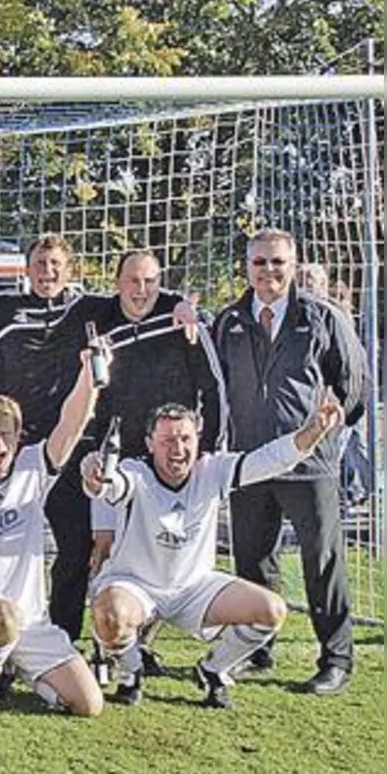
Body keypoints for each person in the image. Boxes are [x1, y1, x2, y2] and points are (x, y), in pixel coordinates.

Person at [0, 234, 194, 645]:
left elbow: (138, 293)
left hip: (64, 451)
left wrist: (178, 303)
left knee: (74, 550)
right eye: (39, 264)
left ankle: (60, 637)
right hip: (9, 456)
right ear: (27, 268)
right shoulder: (0, 310)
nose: (47, 272)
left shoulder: (88, 308)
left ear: (68, 270)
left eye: (55, 264)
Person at [85, 395, 344, 708]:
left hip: (194, 587)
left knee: (272, 610)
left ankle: (213, 670)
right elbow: (109, 486)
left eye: (185, 438)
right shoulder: (135, 472)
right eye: (167, 440)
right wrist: (95, 477)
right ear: (150, 443)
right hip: (136, 585)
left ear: (198, 437)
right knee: (111, 614)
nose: (177, 449)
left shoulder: (214, 469)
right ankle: (131, 672)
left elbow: (269, 459)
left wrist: (313, 431)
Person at [210, 228, 367, 694]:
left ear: (293, 265)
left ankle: (336, 659)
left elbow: (353, 380)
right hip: (250, 463)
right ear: (247, 267)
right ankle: (255, 649)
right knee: (253, 561)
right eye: (259, 262)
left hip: (310, 463)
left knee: (322, 561)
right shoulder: (230, 320)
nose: (268, 271)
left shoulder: (322, 317)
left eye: (277, 262)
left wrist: (333, 420)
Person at [0, 345, 106, 719]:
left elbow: (71, 424)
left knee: (89, 705)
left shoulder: (32, 468)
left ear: (18, 438)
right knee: (1, 616)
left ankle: (18, 671)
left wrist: (89, 374)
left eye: (5, 435)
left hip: (31, 621)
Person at [87, 250, 226, 673]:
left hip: (171, 461)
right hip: (121, 460)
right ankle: (106, 643)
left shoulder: (179, 319)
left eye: (150, 281)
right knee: (105, 547)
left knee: (164, 557)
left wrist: (209, 445)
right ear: (117, 283)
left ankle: (140, 644)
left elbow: (213, 386)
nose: (141, 289)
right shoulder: (101, 321)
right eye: (132, 280)